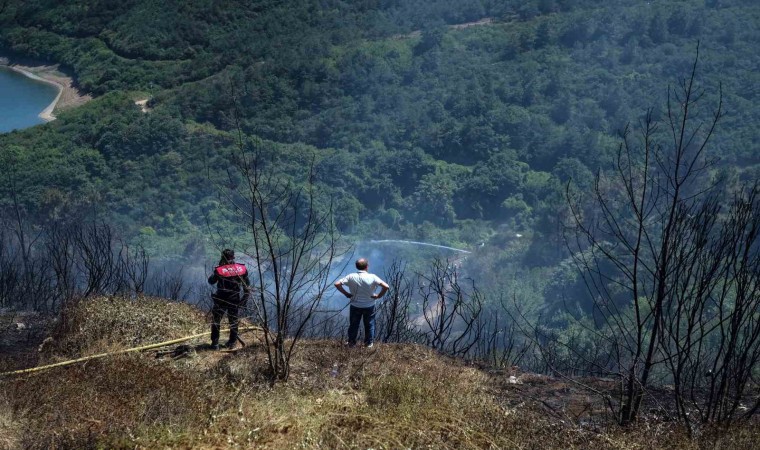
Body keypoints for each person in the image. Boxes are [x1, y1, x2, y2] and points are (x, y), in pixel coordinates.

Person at [334, 258, 389, 348]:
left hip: (355, 305)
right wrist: (378, 296)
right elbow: (386, 286)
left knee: (354, 325)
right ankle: (368, 344)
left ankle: (351, 343)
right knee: (369, 324)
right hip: (369, 305)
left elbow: (337, 284)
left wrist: (346, 294)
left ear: (356, 266)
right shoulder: (373, 277)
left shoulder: (351, 276)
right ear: (367, 266)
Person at [207, 249, 251, 350]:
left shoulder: (220, 270)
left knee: (216, 320)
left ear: (223, 257)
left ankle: (215, 343)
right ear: (233, 257)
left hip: (221, 299)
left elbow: (211, 281)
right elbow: (247, 286)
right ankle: (232, 342)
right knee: (233, 321)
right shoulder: (241, 269)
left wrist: (218, 267)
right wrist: (244, 300)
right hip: (235, 300)